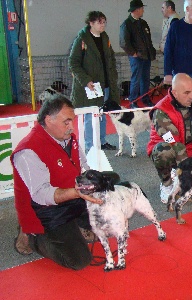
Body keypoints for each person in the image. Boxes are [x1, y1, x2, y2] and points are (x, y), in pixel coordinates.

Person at [11, 95, 103, 270]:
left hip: (73, 196)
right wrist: (76, 192)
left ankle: (76, 224)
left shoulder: (69, 139)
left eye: (72, 121)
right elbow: (41, 194)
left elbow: (83, 166)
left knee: (107, 221)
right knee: (79, 261)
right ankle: (32, 237)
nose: (71, 127)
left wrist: (92, 183)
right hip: (45, 209)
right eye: (66, 122)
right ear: (48, 120)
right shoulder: (28, 150)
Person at [147, 73, 192, 203]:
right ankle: (167, 184)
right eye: (186, 93)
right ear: (175, 93)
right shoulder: (161, 110)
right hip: (169, 150)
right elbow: (174, 143)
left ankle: (189, 179)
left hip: (191, 151)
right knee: (163, 150)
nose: (191, 97)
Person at [69, 11, 118, 151]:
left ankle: (101, 141)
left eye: (104, 22)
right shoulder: (82, 39)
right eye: (99, 22)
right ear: (91, 23)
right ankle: (90, 145)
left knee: (102, 114)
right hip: (90, 86)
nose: (103, 25)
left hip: (105, 83)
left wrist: (113, 75)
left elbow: (111, 58)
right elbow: (73, 63)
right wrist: (86, 80)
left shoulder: (105, 38)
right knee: (91, 116)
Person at [120, 0, 156, 108]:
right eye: (142, 8)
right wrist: (133, 53)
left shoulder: (143, 23)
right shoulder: (126, 24)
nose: (143, 10)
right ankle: (133, 101)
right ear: (136, 10)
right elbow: (124, 42)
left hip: (146, 56)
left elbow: (148, 40)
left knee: (145, 79)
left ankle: (145, 98)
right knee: (136, 79)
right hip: (136, 57)